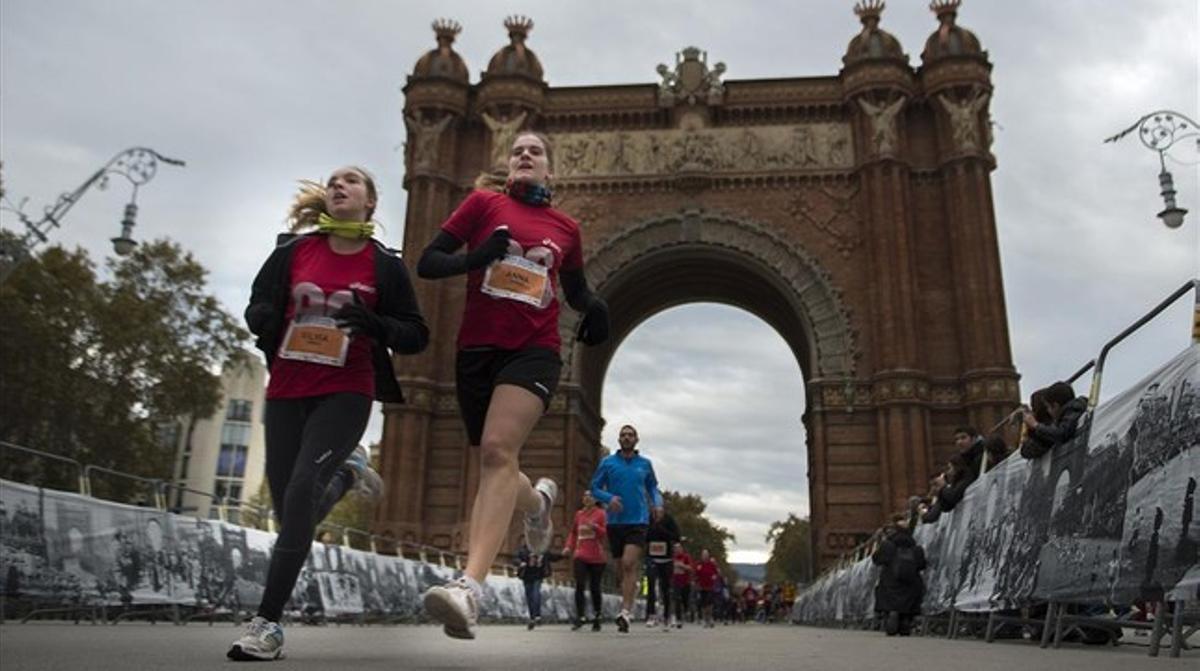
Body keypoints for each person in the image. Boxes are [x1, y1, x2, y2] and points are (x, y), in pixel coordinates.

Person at [229, 167, 429, 661]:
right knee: (292, 513)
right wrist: (263, 318)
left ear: (370, 202)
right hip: (288, 389)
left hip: (346, 391)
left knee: (299, 492)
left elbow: (416, 332)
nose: (339, 185)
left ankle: (267, 624)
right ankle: (344, 477)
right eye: (334, 180)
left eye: (352, 181)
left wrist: (376, 324)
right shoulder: (291, 252)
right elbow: (257, 304)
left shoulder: (384, 265)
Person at [417, 131, 610, 640]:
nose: (525, 155)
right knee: (495, 462)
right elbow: (428, 261)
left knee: (499, 451)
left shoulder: (565, 228)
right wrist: (474, 258)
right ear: (508, 166)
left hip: (534, 352)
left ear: (551, 171)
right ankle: (538, 506)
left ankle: (469, 587)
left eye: (536, 151)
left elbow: (575, 290)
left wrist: (598, 309)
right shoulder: (482, 204)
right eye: (518, 150)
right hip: (476, 352)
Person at [590, 424, 664, 633]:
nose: (627, 437)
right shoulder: (607, 463)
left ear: (636, 439)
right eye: (623, 435)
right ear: (619, 439)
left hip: (638, 520)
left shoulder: (645, 464)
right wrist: (608, 498)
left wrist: (658, 504)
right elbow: (594, 488)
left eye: (630, 435)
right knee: (621, 570)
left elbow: (653, 487)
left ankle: (625, 612)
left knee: (630, 563)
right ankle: (630, 591)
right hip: (615, 522)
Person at [872, 513, 927, 636]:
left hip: (890, 584)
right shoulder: (916, 548)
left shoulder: (887, 545)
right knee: (910, 602)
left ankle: (890, 618)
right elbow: (922, 564)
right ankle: (906, 621)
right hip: (910, 584)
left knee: (886, 595)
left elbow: (876, 559)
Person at [563, 489, 607, 631]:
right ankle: (580, 616)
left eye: (590, 496)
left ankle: (597, 615)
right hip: (580, 554)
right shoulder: (579, 514)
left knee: (595, 587)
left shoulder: (601, 514)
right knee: (580, 585)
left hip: (596, 557)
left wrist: (595, 527)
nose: (587, 498)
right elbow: (574, 532)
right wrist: (568, 546)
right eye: (585, 496)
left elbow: (605, 533)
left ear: (595, 500)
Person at [644, 505, 682, 630]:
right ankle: (651, 614)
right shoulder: (649, 520)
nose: (658, 513)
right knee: (650, 585)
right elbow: (644, 536)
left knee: (665, 588)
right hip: (652, 557)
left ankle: (667, 616)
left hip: (666, 558)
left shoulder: (669, 520)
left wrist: (661, 529)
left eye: (660, 511)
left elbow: (676, 537)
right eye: (655, 511)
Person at [515, 539, 561, 630]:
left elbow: (552, 557)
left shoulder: (542, 550)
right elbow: (516, 558)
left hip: (538, 576)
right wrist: (521, 563)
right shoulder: (524, 550)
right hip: (526, 576)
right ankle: (533, 617)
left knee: (535, 594)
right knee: (529, 596)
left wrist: (563, 554)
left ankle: (536, 616)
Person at [694, 548, 720, 628]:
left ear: (708, 556)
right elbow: (695, 574)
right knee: (703, 604)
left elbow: (717, 573)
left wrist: (714, 577)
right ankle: (705, 619)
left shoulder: (711, 564)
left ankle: (710, 618)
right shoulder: (699, 564)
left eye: (706, 554)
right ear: (701, 556)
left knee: (709, 603)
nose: (705, 556)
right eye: (703, 555)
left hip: (710, 586)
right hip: (702, 587)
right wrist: (696, 582)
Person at [671, 542, 694, 628]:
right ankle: (678, 619)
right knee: (677, 599)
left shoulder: (686, 557)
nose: (677, 550)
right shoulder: (672, 558)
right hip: (675, 582)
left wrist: (682, 566)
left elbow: (690, 568)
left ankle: (686, 610)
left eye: (679, 548)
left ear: (682, 549)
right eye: (675, 548)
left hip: (686, 582)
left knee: (685, 599)